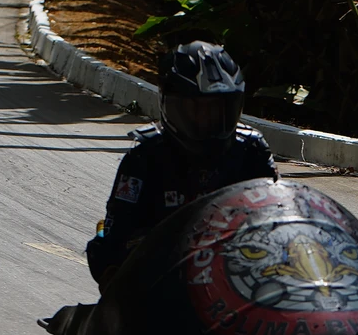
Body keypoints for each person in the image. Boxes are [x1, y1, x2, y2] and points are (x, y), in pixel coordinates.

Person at [86, 41, 278, 288]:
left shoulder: (252, 148)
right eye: (197, 110)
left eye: (217, 110)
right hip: (166, 282)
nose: (207, 120)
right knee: (105, 254)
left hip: (239, 275)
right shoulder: (145, 155)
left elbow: (278, 216)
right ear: (170, 104)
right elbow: (117, 233)